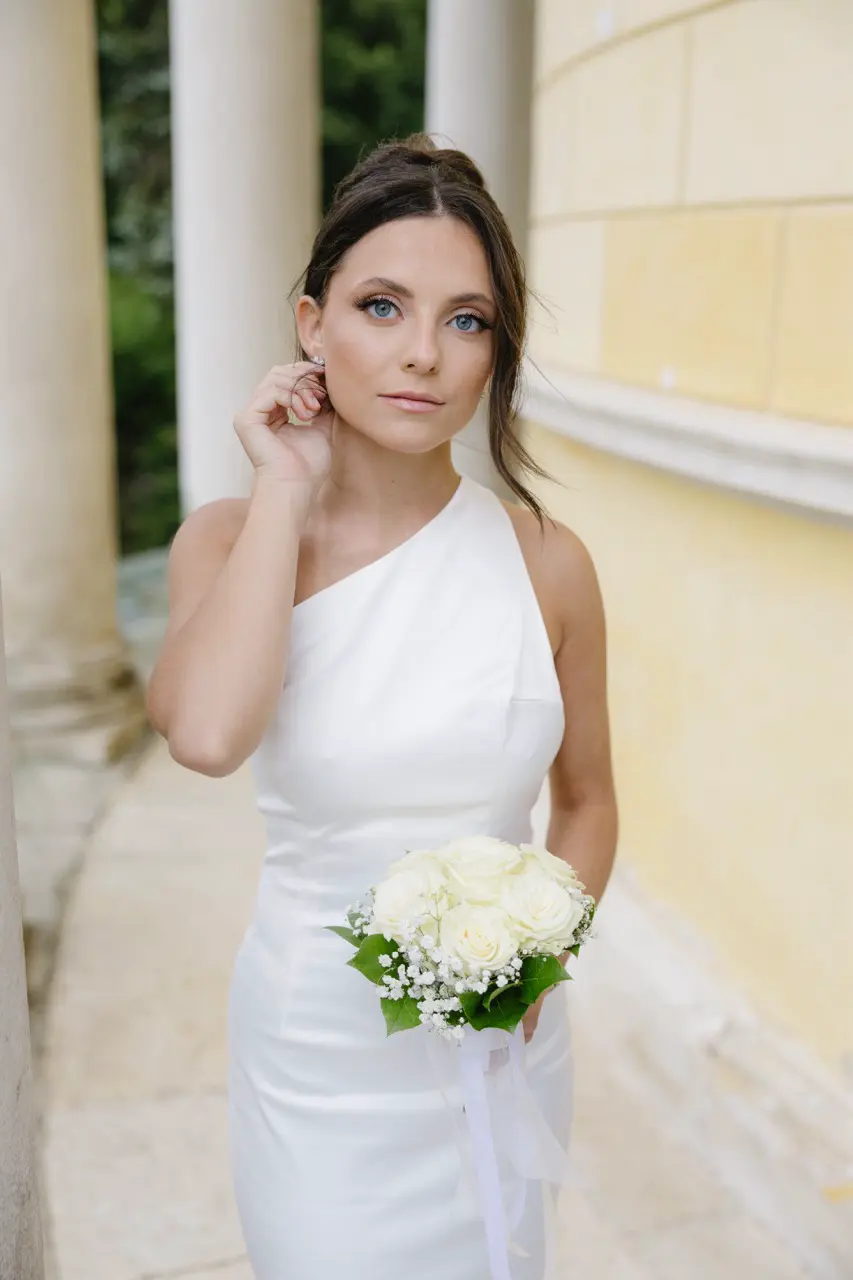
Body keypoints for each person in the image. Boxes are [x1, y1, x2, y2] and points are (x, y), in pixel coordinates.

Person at [146, 134, 618, 1280]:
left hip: (498, 1047)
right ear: (312, 324)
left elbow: (589, 799)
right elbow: (206, 734)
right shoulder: (226, 537)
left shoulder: (547, 561)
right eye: (380, 306)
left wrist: (533, 963)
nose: (423, 355)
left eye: (466, 319)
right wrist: (282, 485)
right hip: (319, 1065)